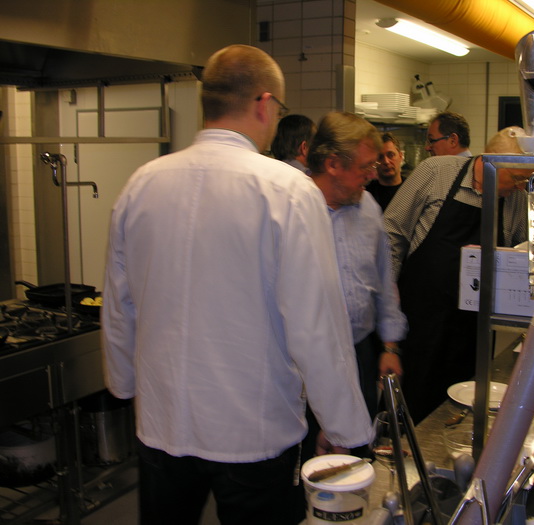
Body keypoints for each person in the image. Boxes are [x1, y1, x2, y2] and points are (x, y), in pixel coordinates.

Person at [101, 45, 372, 525]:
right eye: (279, 111)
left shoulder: (142, 183)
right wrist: (344, 429)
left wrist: (122, 382)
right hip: (254, 431)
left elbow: (119, 302)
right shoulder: (287, 190)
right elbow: (315, 326)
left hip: (164, 422)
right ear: (264, 103)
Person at [384, 126, 531, 423]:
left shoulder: (516, 200)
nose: (520, 187)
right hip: (420, 323)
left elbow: (526, 260)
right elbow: (391, 235)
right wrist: (388, 316)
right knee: (413, 409)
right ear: (490, 161)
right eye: (517, 178)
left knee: (462, 414)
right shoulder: (436, 172)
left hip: (472, 333)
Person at [307, 112, 407, 419]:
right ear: (333, 164)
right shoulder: (294, 209)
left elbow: (384, 281)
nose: (373, 176)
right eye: (366, 167)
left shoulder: (368, 208)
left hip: (360, 352)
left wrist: (390, 347)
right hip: (306, 363)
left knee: (360, 439)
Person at [366, 132, 406, 211]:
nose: (386, 161)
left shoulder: (411, 189)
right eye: (380, 157)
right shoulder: (367, 195)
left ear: (400, 156)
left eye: (391, 155)